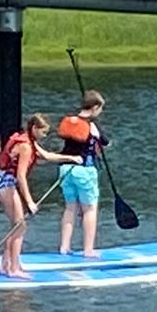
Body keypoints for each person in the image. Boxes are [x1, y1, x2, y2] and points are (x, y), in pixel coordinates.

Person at [0, 113, 55, 279]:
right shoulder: (25, 146)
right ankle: (14, 268)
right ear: (34, 128)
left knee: (16, 225)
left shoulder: (29, 141)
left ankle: (5, 265)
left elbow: (47, 156)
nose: (44, 136)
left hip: (7, 183)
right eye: (43, 132)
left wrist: (72, 158)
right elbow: (20, 176)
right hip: (6, 184)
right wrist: (30, 202)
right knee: (20, 226)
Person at [53, 91, 108, 258]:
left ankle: (64, 247)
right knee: (89, 209)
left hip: (65, 169)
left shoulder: (71, 121)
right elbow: (105, 142)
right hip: (84, 170)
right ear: (95, 107)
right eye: (100, 109)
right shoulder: (92, 126)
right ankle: (88, 250)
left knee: (70, 207)